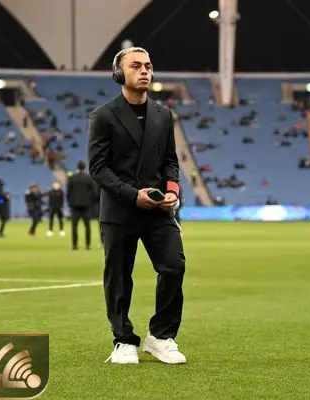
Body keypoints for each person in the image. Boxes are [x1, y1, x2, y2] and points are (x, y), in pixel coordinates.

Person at [88, 47, 186, 365]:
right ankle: (123, 340)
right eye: (135, 66)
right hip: (120, 208)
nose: (144, 71)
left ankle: (161, 336)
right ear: (119, 74)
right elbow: (98, 168)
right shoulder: (103, 116)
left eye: (148, 66)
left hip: (158, 209)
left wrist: (171, 190)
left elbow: (170, 161)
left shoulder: (163, 115)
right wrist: (132, 195)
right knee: (119, 276)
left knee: (173, 266)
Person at [67, 160, 95, 250]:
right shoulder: (88, 178)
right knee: (87, 226)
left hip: (74, 205)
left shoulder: (72, 178)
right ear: (84, 167)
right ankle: (88, 245)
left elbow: (68, 192)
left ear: (77, 167)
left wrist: (70, 202)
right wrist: (90, 201)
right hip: (86, 205)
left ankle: (74, 245)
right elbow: (94, 192)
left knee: (74, 226)